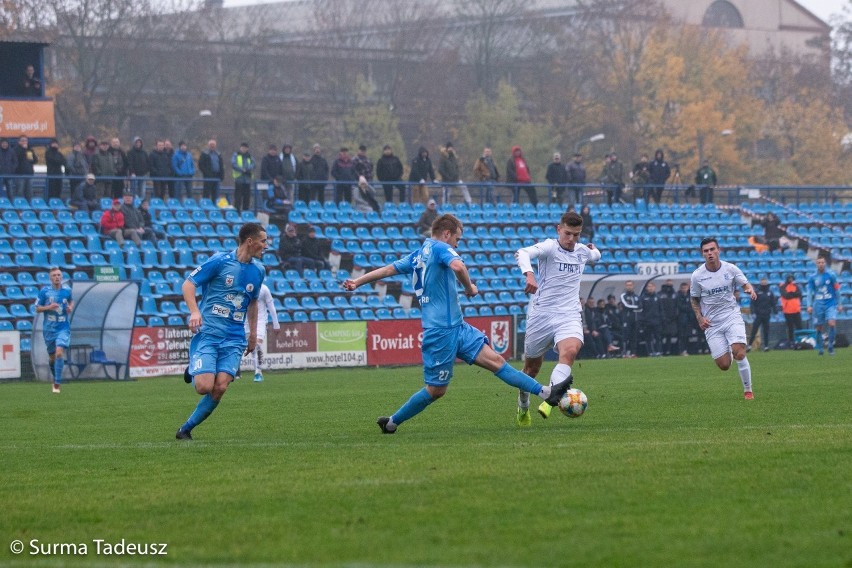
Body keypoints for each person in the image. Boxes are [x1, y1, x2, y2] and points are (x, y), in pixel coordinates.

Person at [343, 214, 573, 434]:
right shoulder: (441, 248)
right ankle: (392, 422)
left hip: (458, 328)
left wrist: (357, 281)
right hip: (440, 332)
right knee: (436, 391)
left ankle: (546, 393)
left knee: (497, 361)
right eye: (457, 239)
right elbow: (459, 267)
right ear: (446, 234)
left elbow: (387, 270)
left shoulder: (418, 254)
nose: (457, 244)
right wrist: (469, 288)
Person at [176, 222, 268, 440]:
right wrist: (194, 312)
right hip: (209, 333)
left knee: (220, 387)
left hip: (234, 339)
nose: (266, 246)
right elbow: (188, 285)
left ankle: (185, 429)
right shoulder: (219, 261)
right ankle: (193, 369)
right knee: (203, 387)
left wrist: (252, 334)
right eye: (263, 241)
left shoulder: (258, 271)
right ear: (250, 241)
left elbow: (253, 303)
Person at [514, 210, 601, 423]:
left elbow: (595, 256)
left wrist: (594, 249)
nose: (572, 239)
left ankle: (550, 400)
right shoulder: (549, 247)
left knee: (570, 351)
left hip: (569, 314)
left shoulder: (581, 251)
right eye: (568, 234)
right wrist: (530, 274)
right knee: (531, 369)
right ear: (558, 230)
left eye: (577, 235)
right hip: (541, 314)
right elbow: (522, 253)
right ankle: (523, 405)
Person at [690, 237, 757, 400]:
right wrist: (700, 318)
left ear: (718, 250)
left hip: (731, 316)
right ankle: (730, 349)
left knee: (740, 353)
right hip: (712, 323)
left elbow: (745, 284)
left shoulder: (731, 269)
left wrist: (750, 290)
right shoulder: (697, 276)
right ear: (702, 254)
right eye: (706, 251)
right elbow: (694, 299)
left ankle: (748, 390)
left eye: (712, 249)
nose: (710, 253)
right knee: (724, 365)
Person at [34, 267, 73, 394]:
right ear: (50, 278)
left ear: (61, 277)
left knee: (60, 352)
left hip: (63, 327)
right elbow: (37, 309)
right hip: (49, 330)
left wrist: (70, 307)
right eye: (54, 275)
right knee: (52, 358)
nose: (57, 277)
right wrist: (49, 307)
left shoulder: (67, 290)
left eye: (59, 275)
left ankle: (57, 384)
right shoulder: (44, 291)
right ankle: (54, 374)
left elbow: (71, 301)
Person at [243, 283, 279, 383]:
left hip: (260, 321)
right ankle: (236, 372)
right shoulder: (243, 286)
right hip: (246, 322)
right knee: (250, 347)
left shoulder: (264, 289)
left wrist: (276, 324)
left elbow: (271, 306)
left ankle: (258, 372)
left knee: (256, 345)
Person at [807, 256, 842, 356]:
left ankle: (830, 346)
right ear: (816, 264)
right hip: (818, 304)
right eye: (819, 263)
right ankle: (821, 348)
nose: (821, 264)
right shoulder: (812, 277)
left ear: (825, 263)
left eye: (822, 262)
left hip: (830, 303)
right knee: (819, 327)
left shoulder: (831, 275)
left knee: (832, 323)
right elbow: (809, 292)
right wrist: (809, 305)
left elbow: (837, 290)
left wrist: (839, 303)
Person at [748, 278, 776, 352]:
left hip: (767, 315)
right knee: (754, 330)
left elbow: (773, 303)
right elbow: (752, 303)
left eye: (765, 281)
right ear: (760, 282)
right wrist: (753, 312)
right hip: (758, 315)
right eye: (762, 281)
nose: (764, 283)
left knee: (766, 331)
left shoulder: (770, 292)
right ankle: (749, 346)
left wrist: (775, 312)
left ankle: (766, 346)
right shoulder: (757, 292)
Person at [639, 282, 662, 356]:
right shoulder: (643, 297)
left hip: (656, 321)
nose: (650, 288)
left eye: (652, 286)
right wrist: (642, 320)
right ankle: (650, 352)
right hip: (647, 322)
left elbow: (661, 309)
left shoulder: (658, 297)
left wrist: (661, 319)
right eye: (649, 286)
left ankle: (658, 351)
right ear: (646, 288)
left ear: (654, 287)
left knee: (658, 337)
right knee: (648, 338)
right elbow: (641, 310)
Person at [231, 142, 255, 213]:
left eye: (245, 148)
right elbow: (234, 164)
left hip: (247, 180)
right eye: (243, 148)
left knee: (247, 198)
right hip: (239, 179)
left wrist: (248, 169)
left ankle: (245, 212)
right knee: (238, 198)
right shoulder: (236, 155)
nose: (244, 149)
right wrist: (242, 170)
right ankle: (237, 212)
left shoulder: (249, 156)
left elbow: (253, 164)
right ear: (240, 148)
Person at [779, 274, 803, 343]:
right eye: (789, 278)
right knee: (790, 327)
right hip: (787, 310)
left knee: (799, 326)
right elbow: (785, 295)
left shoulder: (795, 286)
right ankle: (791, 341)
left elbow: (799, 294)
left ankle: (800, 340)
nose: (790, 279)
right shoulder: (783, 286)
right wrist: (794, 294)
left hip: (796, 309)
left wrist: (791, 294)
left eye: (791, 278)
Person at [620, 280, 641, 358]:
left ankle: (633, 353)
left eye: (630, 285)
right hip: (626, 319)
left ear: (633, 286)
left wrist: (635, 308)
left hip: (635, 319)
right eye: (627, 285)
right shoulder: (623, 296)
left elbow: (641, 307)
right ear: (626, 286)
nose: (629, 286)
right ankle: (624, 353)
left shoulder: (636, 296)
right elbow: (626, 305)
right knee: (625, 336)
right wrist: (636, 307)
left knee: (634, 337)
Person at [13, 135, 37, 200]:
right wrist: (24, 150)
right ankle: (19, 207)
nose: (24, 142)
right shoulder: (16, 150)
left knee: (29, 192)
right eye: (22, 140)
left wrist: (31, 154)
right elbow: (17, 158)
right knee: (19, 192)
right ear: (19, 142)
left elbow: (35, 160)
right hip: (20, 174)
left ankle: (29, 207)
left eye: (26, 140)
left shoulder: (30, 150)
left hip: (29, 174)